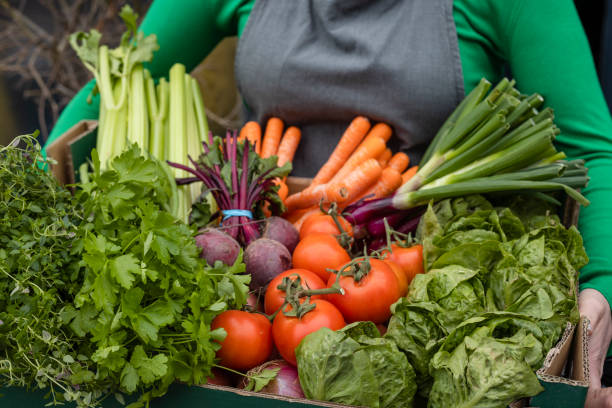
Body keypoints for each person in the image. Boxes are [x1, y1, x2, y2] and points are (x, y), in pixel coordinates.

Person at [45, 1, 612, 405]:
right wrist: (37, 180)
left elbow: (591, 149)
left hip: (418, 264)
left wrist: (600, 287)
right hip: (258, 246)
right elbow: (118, 82)